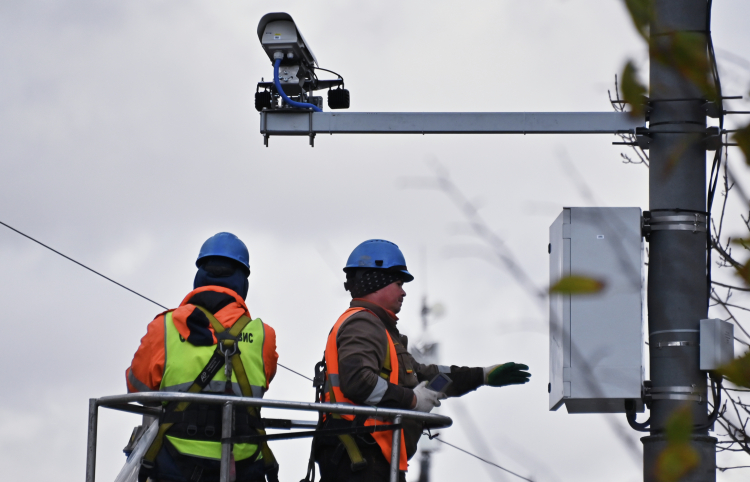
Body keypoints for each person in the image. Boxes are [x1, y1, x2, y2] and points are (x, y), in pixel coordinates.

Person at [314, 239, 531, 482]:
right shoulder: (364, 324)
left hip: (370, 455)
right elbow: (358, 382)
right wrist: (414, 399)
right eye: (399, 283)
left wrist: (482, 375)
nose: (404, 291)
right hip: (359, 456)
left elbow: (428, 377)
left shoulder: (382, 331)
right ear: (376, 281)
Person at [126, 232, 279, 482]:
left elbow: (136, 387)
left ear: (199, 276)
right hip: (243, 465)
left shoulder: (163, 327)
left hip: (175, 465)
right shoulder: (264, 336)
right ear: (243, 282)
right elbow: (264, 381)